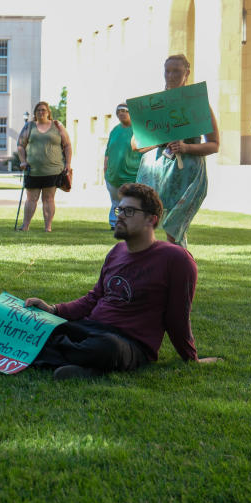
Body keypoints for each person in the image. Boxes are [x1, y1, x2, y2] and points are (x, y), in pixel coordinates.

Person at [23, 183, 219, 380]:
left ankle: (59, 357)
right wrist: (54, 310)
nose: (120, 216)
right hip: (89, 328)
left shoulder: (176, 259)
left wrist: (191, 357)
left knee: (107, 347)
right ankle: (84, 367)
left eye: (130, 211)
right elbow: (94, 298)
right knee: (36, 325)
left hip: (128, 342)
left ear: (151, 219)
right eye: (120, 209)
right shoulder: (117, 252)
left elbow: (178, 316)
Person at [134, 55, 219, 249]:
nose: (171, 76)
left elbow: (214, 145)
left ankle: (179, 266)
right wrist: (160, 139)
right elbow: (136, 144)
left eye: (177, 71)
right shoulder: (154, 104)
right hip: (155, 170)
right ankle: (146, 266)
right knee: (146, 219)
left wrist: (187, 147)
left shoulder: (197, 103)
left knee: (175, 227)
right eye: (167, 71)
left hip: (186, 170)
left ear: (187, 73)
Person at [17, 101, 72, 232]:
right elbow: (20, 145)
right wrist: (23, 161)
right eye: (38, 110)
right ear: (35, 113)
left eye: (44, 110)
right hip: (32, 170)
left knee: (48, 199)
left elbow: (67, 145)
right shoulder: (29, 126)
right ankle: (25, 226)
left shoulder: (57, 126)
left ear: (48, 112)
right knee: (31, 199)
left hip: (52, 170)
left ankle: (48, 227)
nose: (41, 112)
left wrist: (68, 164)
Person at [103, 103, 141, 230]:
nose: (122, 113)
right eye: (119, 111)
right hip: (113, 175)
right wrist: (105, 168)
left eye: (125, 111)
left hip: (132, 174)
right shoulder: (115, 130)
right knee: (116, 202)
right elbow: (108, 151)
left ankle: (130, 224)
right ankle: (115, 223)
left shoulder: (138, 130)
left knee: (132, 202)